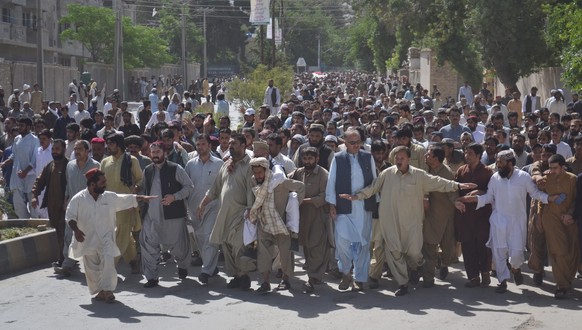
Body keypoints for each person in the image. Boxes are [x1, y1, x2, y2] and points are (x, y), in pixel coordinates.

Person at [344, 146, 476, 296]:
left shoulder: (418, 175)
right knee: (395, 252)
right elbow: (373, 188)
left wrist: (457, 185)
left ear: (408, 159)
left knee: (413, 252)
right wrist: (357, 196)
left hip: (412, 223)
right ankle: (403, 283)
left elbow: (438, 182)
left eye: (402, 158)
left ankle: (419, 265)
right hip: (390, 222)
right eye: (396, 158)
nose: (399, 161)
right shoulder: (387, 174)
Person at [457, 150, 559, 294]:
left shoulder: (523, 177)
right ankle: (502, 281)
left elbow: (535, 194)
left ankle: (515, 269)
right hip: (498, 220)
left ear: (510, 164)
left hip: (517, 221)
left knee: (517, 253)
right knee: (499, 253)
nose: (497, 165)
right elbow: (489, 197)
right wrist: (474, 200)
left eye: (501, 162)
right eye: (497, 162)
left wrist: (549, 198)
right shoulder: (495, 178)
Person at [66, 169, 154, 302]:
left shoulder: (108, 197)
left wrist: (142, 198)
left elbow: (124, 199)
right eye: (102, 182)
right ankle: (100, 291)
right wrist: (76, 231)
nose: (105, 184)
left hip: (106, 238)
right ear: (92, 184)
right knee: (92, 270)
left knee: (108, 263)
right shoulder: (78, 199)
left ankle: (108, 290)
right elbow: (70, 216)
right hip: (87, 240)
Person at [197, 133, 255, 290]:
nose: (230, 146)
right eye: (230, 143)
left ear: (244, 146)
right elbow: (215, 188)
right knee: (227, 246)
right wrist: (203, 203)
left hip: (241, 215)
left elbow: (251, 190)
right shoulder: (226, 165)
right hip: (224, 215)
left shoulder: (250, 165)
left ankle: (243, 276)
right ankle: (235, 276)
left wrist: (250, 210)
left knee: (238, 246)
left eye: (234, 143)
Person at [326, 128, 377, 292]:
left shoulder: (368, 157)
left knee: (363, 243)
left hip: (363, 206)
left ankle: (360, 279)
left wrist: (374, 202)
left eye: (358, 142)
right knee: (342, 242)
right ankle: (346, 272)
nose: (356, 145)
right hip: (343, 206)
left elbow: (374, 182)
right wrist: (331, 204)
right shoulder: (338, 158)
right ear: (345, 142)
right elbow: (331, 180)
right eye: (352, 142)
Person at [140, 141, 193, 288]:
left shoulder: (176, 169)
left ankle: (182, 265)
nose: (155, 155)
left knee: (178, 246)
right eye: (153, 152)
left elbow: (189, 187)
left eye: (158, 152)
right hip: (151, 215)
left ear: (164, 153)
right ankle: (151, 277)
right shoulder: (148, 170)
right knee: (149, 245)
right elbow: (145, 189)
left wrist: (174, 197)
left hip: (172, 215)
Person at [250, 157, 305, 293]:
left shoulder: (280, 181)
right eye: (255, 172)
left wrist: (295, 205)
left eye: (260, 172)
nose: (257, 176)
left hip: (281, 224)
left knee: (285, 254)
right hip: (264, 223)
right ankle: (265, 282)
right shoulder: (253, 180)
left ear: (266, 170)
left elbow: (301, 187)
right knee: (264, 254)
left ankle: (285, 280)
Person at [54, 140, 101, 276]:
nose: (77, 151)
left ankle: (95, 264)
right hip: (73, 206)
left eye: (80, 149)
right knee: (69, 234)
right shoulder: (70, 165)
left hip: (89, 207)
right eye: (75, 149)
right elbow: (68, 185)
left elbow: (99, 187)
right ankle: (67, 264)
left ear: (87, 151)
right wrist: (66, 199)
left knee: (90, 235)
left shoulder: (96, 165)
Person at [289, 147, 330, 292]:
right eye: (305, 159)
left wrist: (303, 200)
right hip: (302, 216)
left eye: (310, 159)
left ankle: (314, 277)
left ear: (317, 159)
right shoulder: (299, 172)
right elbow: (285, 180)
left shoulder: (323, 174)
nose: (307, 161)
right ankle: (314, 274)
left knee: (316, 246)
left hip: (317, 215)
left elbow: (324, 196)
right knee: (306, 245)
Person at [101, 133, 143, 274]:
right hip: (109, 206)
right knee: (121, 235)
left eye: (111, 143)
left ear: (118, 145)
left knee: (120, 235)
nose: (108, 146)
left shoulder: (132, 161)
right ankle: (133, 260)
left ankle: (109, 266)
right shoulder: (105, 162)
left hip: (126, 205)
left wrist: (136, 188)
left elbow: (140, 179)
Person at [185, 134, 224, 284]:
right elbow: (187, 186)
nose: (200, 147)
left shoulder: (219, 164)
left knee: (209, 237)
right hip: (194, 208)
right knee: (200, 238)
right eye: (198, 144)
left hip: (213, 207)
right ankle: (212, 267)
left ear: (209, 145)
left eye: (203, 144)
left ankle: (206, 271)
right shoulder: (190, 164)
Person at [541, 154, 579, 299]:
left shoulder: (572, 179)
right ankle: (562, 285)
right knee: (558, 250)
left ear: (563, 166)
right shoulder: (546, 179)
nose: (552, 171)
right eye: (550, 168)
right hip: (551, 218)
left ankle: (567, 281)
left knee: (571, 251)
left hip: (569, 220)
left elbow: (576, 200)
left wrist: (570, 214)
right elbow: (539, 199)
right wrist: (538, 219)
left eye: (555, 168)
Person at [421, 145, 458, 287]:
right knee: (429, 245)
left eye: (428, 155)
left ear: (436, 159)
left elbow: (453, 192)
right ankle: (428, 278)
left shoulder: (446, 173)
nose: (425, 156)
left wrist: (457, 203)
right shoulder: (425, 170)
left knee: (448, 247)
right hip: (429, 215)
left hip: (445, 215)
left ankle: (443, 263)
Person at [31, 139, 68, 266]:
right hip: (52, 205)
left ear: (64, 150)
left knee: (63, 232)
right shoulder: (50, 166)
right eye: (53, 149)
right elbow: (39, 181)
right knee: (57, 232)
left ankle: (63, 260)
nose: (54, 151)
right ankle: (63, 257)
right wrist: (35, 195)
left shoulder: (69, 165)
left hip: (65, 206)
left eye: (57, 149)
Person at [0, 118, 39, 218]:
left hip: (30, 175)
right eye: (19, 125)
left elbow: (34, 159)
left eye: (22, 125)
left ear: (29, 127)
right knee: (18, 202)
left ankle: (34, 223)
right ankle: (24, 223)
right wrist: (4, 163)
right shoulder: (17, 139)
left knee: (32, 201)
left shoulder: (34, 140)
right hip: (17, 175)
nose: (19, 127)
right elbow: (14, 155)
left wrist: (25, 172)